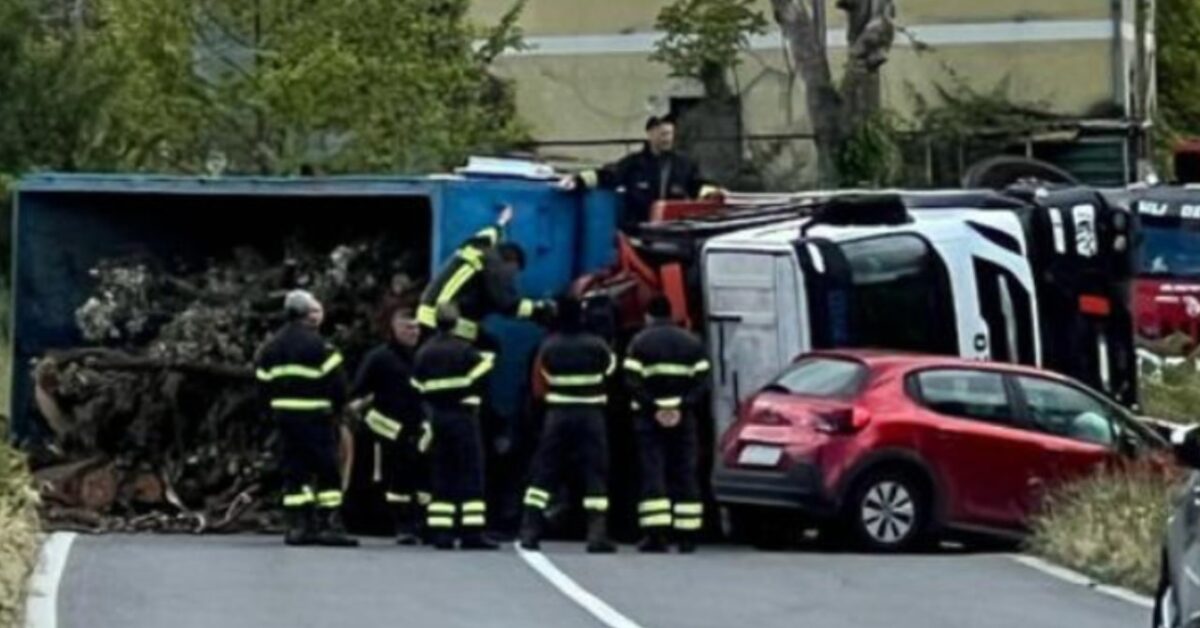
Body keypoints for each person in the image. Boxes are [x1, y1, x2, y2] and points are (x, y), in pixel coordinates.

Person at [256, 290, 357, 547]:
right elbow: (339, 386)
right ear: (306, 315)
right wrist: (339, 409)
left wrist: (275, 409)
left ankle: (298, 526)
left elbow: (262, 385)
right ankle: (329, 524)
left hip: (285, 420)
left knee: (294, 471)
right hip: (316, 418)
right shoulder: (321, 346)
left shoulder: (271, 347)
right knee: (327, 471)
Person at [518, 296, 618, 553]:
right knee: (595, 473)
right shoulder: (598, 346)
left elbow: (539, 384)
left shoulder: (548, 348)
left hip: (557, 416)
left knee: (545, 469)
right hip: (591, 414)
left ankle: (530, 530)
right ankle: (597, 534)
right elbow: (610, 371)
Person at [623, 296, 711, 553]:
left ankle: (656, 535)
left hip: (649, 420)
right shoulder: (692, 342)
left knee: (653, 472)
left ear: (649, 315)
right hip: (684, 418)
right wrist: (680, 406)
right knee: (685, 471)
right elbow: (703, 382)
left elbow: (631, 381)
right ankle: (687, 536)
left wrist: (655, 407)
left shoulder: (639, 342)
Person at [411, 304, 498, 550]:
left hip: (437, 418)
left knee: (442, 474)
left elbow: (417, 386)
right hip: (463, 417)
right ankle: (472, 533)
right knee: (470, 473)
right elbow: (484, 371)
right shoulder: (465, 350)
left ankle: (442, 532)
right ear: (456, 322)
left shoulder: (424, 353)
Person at [416, 205, 555, 345]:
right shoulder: (496, 266)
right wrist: (539, 310)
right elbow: (507, 304)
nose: (513, 277)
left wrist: (501, 221)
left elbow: (489, 233)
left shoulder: (477, 246)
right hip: (445, 320)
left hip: (425, 312)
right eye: (515, 271)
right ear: (511, 262)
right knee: (489, 348)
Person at [350, 303, 430, 545]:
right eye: (407, 328)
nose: (413, 333)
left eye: (416, 328)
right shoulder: (379, 358)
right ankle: (397, 524)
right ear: (394, 329)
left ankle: (421, 523)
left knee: (420, 480)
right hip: (386, 430)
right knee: (391, 480)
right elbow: (359, 392)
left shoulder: (424, 356)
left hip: (419, 430)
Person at [559, 115, 721, 232]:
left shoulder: (684, 164)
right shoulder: (634, 163)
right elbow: (608, 175)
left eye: (670, 134)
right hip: (639, 231)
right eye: (663, 134)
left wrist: (712, 192)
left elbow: (697, 185)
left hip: (673, 233)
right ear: (650, 133)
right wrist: (579, 180)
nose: (667, 139)